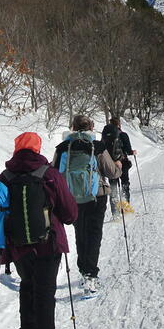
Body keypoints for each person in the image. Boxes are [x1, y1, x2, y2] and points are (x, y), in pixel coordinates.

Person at [0, 131, 77, 329]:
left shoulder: (4, 177)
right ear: (38, 149)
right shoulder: (50, 175)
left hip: (18, 247)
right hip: (49, 245)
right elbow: (69, 214)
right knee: (45, 294)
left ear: (16, 149)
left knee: (27, 286)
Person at [54, 115, 122, 294]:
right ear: (91, 127)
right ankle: (90, 275)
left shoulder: (62, 148)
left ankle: (83, 270)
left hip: (72, 197)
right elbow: (112, 173)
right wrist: (119, 165)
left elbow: (53, 174)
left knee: (80, 233)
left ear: (73, 127)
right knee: (94, 234)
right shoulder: (97, 146)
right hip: (96, 197)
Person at [100, 116, 136, 210]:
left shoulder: (105, 136)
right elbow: (128, 150)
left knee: (113, 187)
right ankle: (126, 208)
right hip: (122, 163)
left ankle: (115, 212)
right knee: (124, 184)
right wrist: (133, 152)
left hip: (110, 164)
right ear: (119, 124)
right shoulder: (123, 134)